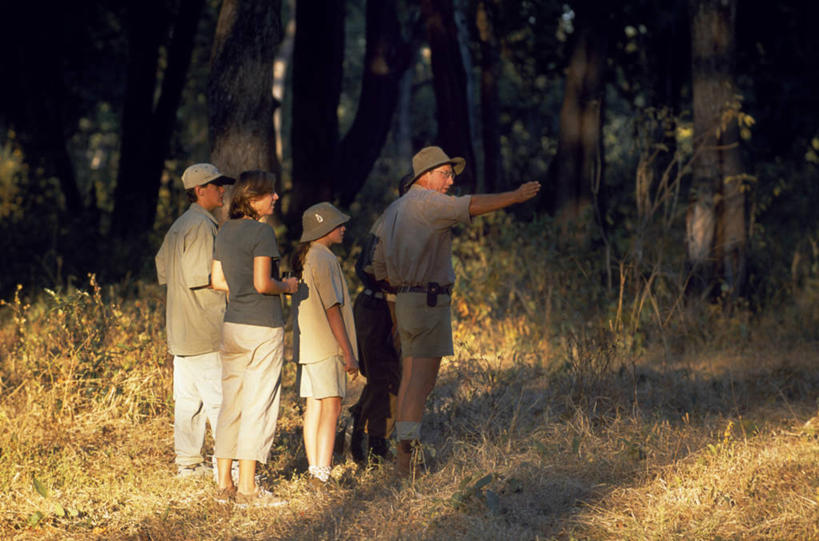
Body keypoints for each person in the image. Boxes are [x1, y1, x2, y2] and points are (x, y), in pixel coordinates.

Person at [374, 146, 541, 478]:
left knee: (410, 379)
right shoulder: (428, 202)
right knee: (420, 383)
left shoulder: (393, 209)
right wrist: (516, 196)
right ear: (425, 175)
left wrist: (398, 300)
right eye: (445, 174)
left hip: (404, 302)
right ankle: (405, 464)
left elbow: (378, 266)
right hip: (427, 302)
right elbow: (472, 205)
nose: (451, 181)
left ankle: (403, 457)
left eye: (452, 175)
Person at [210, 170, 298, 506]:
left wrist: (243, 288)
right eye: (270, 193)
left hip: (232, 324)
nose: (276, 198)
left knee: (231, 403)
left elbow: (217, 280)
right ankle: (248, 488)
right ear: (252, 198)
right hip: (262, 327)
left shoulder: (225, 230)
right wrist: (287, 287)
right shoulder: (263, 232)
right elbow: (263, 284)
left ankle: (224, 486)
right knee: (258, 405)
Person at [155, 163, 234, 478]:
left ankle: (188, 464)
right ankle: (230, 467)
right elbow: (201, 275)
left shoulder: (180, 225)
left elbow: (163, 270)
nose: (222, 190)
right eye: (216, 186)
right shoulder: (202, 226)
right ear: (200, 191)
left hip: (181, 328)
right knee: (218, 399)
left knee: (189, 401)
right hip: (205, 326)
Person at [291, 202, 359, 487]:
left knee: (314, 406)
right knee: (331, 406)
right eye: (337, 224)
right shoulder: (325, 259)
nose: (343, 228)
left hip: (308, 347)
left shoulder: (307, 257)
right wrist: (348, 352)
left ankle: (315, 469)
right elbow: (333, 309)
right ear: (324, 229)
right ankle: (322, 471)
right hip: (326, 346)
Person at [348, 177, 410, 464]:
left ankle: (369, 433)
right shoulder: (398, 221)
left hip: (383, 303)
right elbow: (382, 273)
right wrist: (396, 317)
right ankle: (368, 441)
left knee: (388, 376)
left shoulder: (398, 218)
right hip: (381, 304)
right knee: (384, 377)